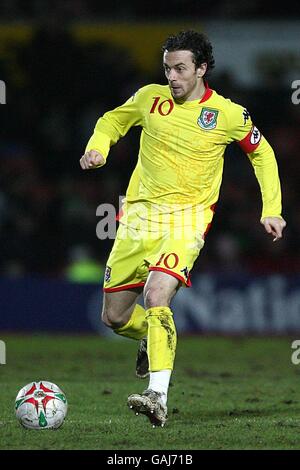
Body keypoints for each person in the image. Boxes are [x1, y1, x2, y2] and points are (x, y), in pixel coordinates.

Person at [80, 30, 286, 427]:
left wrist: (271, 209)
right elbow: (110, 121)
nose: (171, 77)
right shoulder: (148, 99)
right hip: (137, 219)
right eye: (167, 69)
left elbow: (262, 153)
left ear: (201, 69)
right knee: (115, 318)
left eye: (180, 69)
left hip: (187, 219)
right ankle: (151, 339)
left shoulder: (227, 114)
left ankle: (157, 395)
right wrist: (98, 148)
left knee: (158, 294)